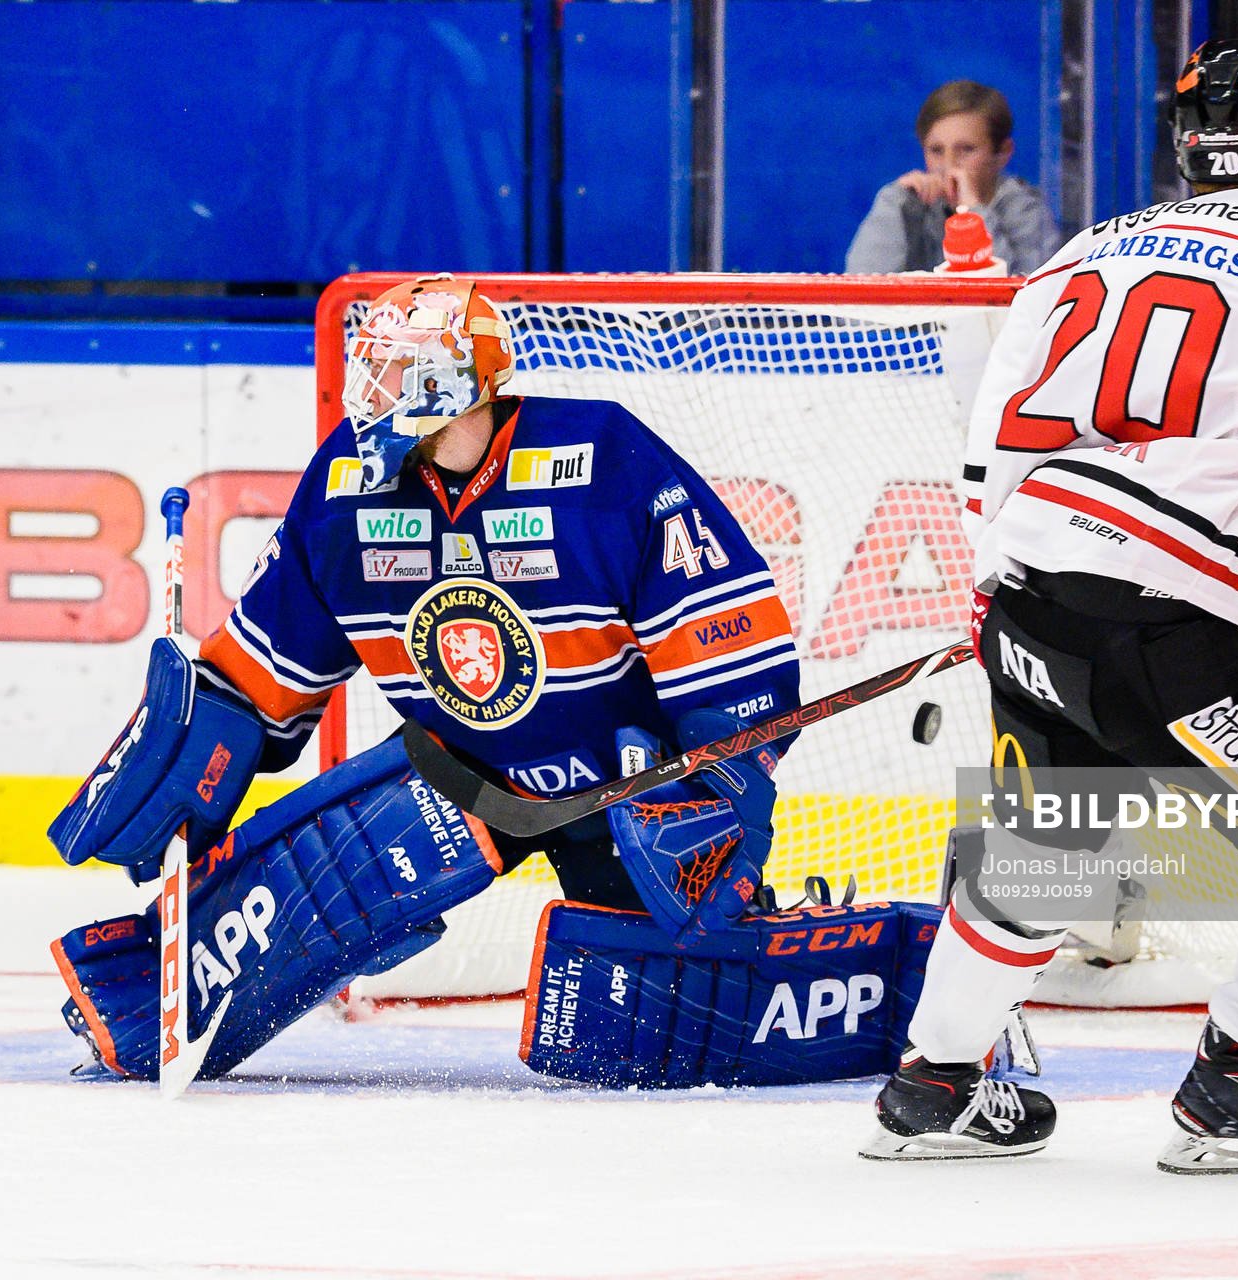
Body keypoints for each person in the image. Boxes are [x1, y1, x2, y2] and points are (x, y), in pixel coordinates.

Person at [861, 38, 1238, 1172]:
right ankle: (1237, 1086)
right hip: (1150, 619)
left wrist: (1026, 590)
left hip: (1029, 594)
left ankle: (934, 1085)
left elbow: (985, 467)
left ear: (1184, 147)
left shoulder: (1082, 251)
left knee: (1049, 855)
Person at [44, 275, 803, 1082]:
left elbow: (728, 649)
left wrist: (723, 791)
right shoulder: (345, 487)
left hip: (623, 789)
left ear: (461, 382)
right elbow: (265, 670)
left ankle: (798, 954)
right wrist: (195, 751)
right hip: (457, 778)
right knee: (303, 895)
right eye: (374, 372)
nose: (375, 396)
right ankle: (148, 998)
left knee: (660, 1025)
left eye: (399, 375)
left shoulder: (604, 457)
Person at [845, 80, 1061, 275]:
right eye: (936, 150)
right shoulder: (906, 200)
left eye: (966, 149)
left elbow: (1030, 302)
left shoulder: (1026, 210)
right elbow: (857, 295)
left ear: (1003, 152)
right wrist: (895, 204)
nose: (948, 165)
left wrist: (973, 211)